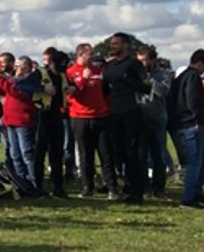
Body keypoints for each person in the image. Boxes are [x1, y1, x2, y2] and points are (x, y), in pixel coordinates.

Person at [101, 33, 149, 204]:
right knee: (118, 153)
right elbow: (105, 88)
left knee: (132, 153)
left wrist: (130, 82)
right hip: (115, 113)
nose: (113, 46)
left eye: (116, 43)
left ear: (125, 45)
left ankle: (137, 191)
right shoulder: (109, 66)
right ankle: (126, 186)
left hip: (131, 112)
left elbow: (147, 87)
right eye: (112, 43)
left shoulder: (134, 64)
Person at [66, 43, 116, 198]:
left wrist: (107, 109)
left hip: (101, 116)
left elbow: (106, 92)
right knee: (85, 154)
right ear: (81, 55)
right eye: (90, 54)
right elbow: (69, 94)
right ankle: (87, 187)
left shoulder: (99, 71)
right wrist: (83, 79)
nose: (93, 56)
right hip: (80, 117)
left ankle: (112, 187)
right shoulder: (70, 72)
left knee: (106, 154)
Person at [0, 56, 44, 195]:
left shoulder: (29, 80)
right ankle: (22, 183)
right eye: (16, 65)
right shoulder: (12, 79)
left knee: (26, 153)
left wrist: (0, 78)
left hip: (23, 121)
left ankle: (33, 184)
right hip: (10, 120)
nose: (16, 68)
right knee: (15, 154)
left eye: (19, 65)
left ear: (27, 67)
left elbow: (13, 91)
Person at [168, 49, 204, 208]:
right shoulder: (193, 77)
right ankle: (189, 197)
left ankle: (196, 192)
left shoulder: (179, 77)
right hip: (190, 123)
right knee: (195, 161)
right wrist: (198, 119)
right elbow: (193, 99)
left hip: (180, 122)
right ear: (200, 63)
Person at [136, 46, 174, 197]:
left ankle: (159, 187)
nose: (142, 64)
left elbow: (162, 92)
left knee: (159, 154)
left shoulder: (163, 75)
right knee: (141, 155)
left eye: (145, 60)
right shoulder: (135, 74)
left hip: (157, 118)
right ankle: (145, 186)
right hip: (140, 118)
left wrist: (150, 80)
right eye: (139, 60)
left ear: (152, 60)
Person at [34, 48, 69, 198]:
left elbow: (69, 86)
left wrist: (72, 88)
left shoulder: (62, 75)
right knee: (39, 153)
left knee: (57, 154)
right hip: (41, 116)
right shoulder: (40, 73)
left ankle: (58, 188)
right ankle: (38, 187)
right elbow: (21, 85)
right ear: (52, 63)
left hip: (57, 116)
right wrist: (43, 88)